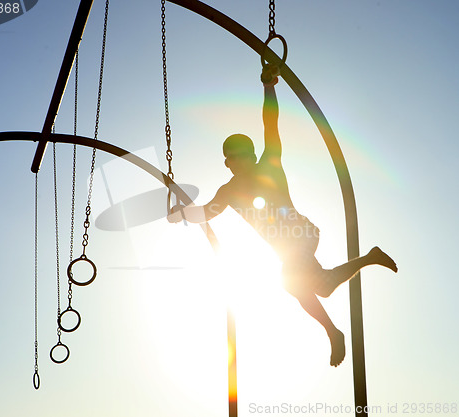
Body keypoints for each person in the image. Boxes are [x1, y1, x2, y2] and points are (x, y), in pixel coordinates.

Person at [167, 64, 397, 367]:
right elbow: (207, 212)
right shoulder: (229, 191)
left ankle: (334, 332)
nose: (232, 166)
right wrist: (180, 214)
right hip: (287, 249)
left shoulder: (269, 164)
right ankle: (369, 258)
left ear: (248, 155)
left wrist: (269, 86)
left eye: (235, 159)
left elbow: (270, 124)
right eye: (228, 162)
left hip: (302, 234)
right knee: (323, 287)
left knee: (291, 281)